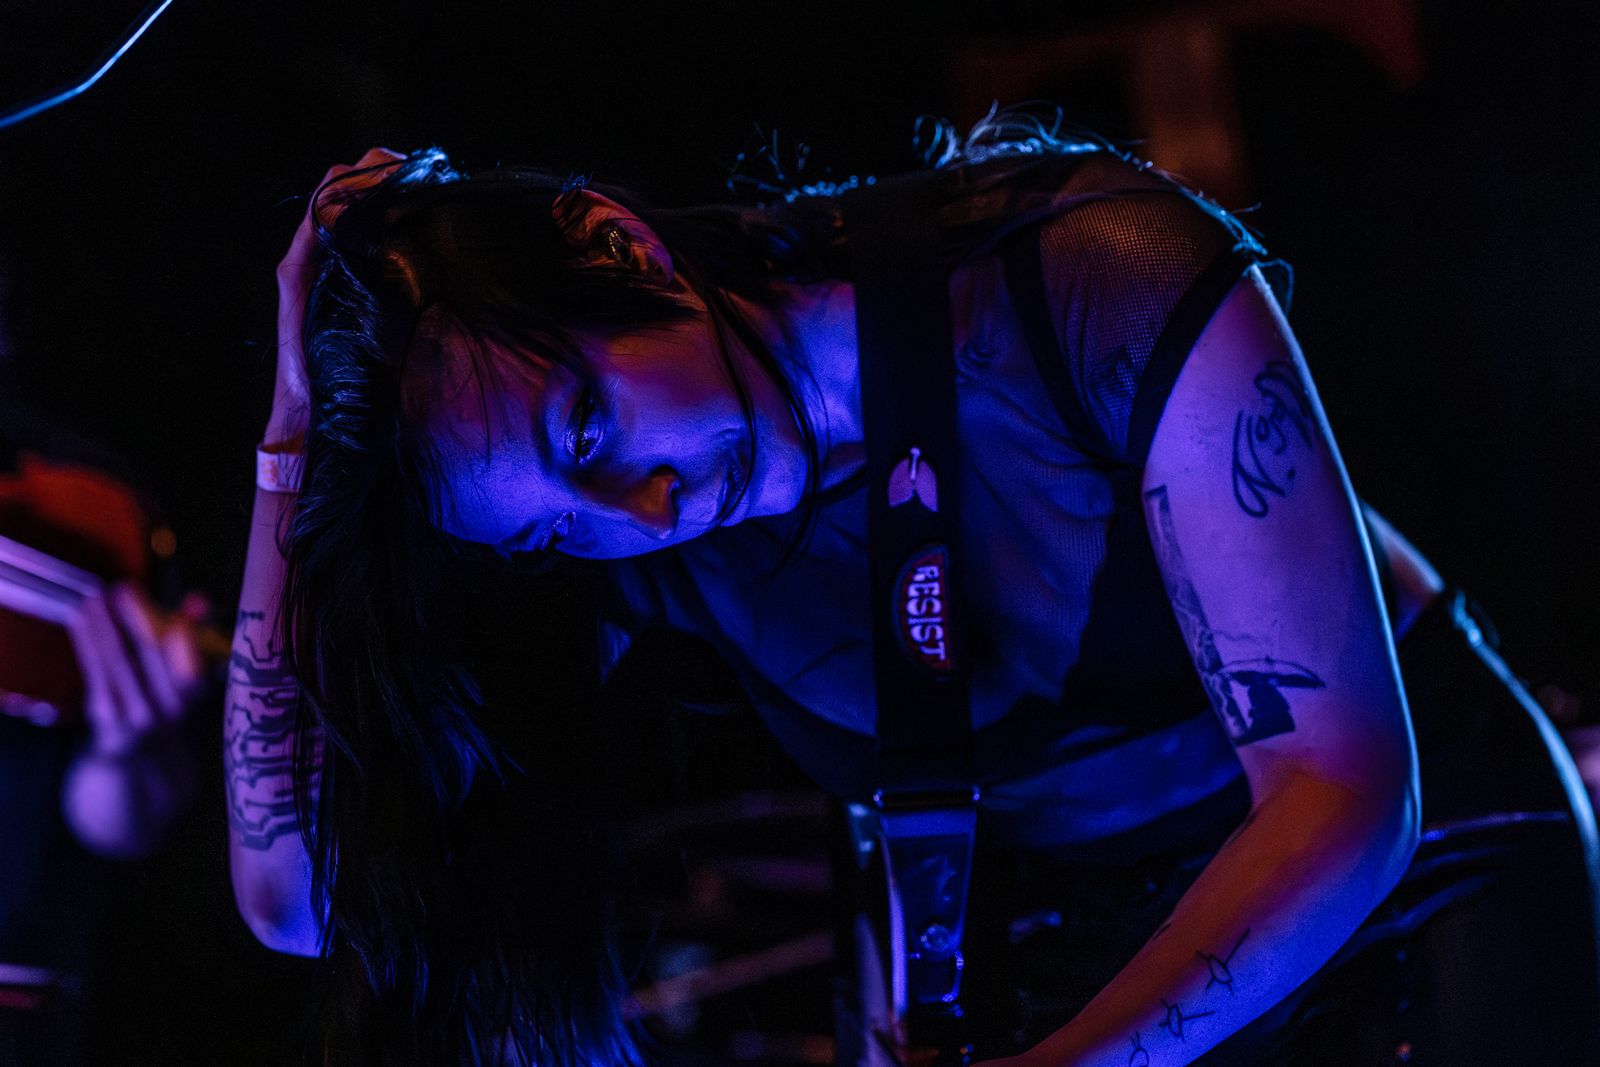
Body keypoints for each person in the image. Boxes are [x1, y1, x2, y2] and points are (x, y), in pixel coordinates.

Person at [227, 122, 1596, 1066]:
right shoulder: (638, 549)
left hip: (1418, 868)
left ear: (620, 246)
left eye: (587, 428)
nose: (636, 510)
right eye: (548, 533)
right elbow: (296, 900)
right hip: (1082, 949)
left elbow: (1344, 789)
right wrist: (292, 448)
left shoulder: (1088, 278)